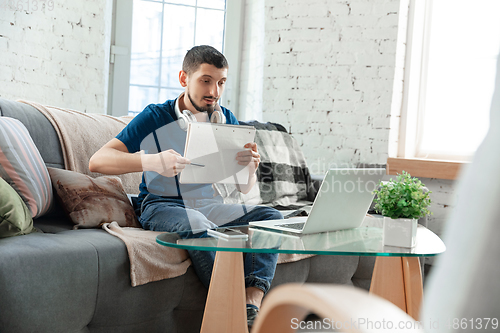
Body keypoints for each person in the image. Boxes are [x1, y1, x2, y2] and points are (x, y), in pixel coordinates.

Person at [89, 45, 283, 329]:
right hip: (162, 205)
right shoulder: (155, 116)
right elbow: (98, 161)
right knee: (197, 222)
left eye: (221, 82)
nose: (214, 91)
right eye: (206, 80)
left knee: (271, 218)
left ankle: (250, 303)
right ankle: (228, 307)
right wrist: (152, 161)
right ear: (184, 78)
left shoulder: (225, 118)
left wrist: (249, 169)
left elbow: (243, 189)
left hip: (208, 204)